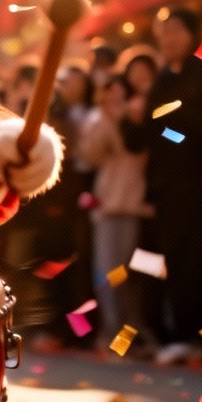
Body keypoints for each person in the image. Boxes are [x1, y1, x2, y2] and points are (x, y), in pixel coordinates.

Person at [121, 7, 202, 365]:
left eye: (175, 30)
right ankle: (181, 335)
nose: (167, 38)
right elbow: (149, 137)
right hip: (166, 188)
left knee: (201, 264)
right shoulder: (162, 80)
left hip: (200, 183)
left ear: (192, 34)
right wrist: (132, 119)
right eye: (162, 32)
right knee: (171, 265)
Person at [78, 73, 155, 354]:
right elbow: (90, 156)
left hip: (136, 206)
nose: (114, 97)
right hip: (108, 207)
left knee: (128, 277)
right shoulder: (97, 118)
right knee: (108, 274)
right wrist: (107, 120)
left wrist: (123, 118)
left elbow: (138, 148)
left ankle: (131, 335)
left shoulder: (141, 114)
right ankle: (114, 335)